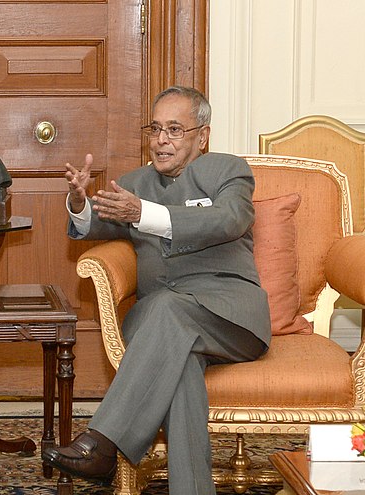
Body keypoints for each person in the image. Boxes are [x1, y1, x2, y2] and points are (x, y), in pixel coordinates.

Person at [41, 86, 271, 494]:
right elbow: (95, 223)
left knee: (169, 311)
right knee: (179, 362)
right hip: (161, 325)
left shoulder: (227, 171)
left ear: (202, 136)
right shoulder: (135, 183)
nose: (162, 139)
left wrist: (144, 214)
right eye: (156, 129)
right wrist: (79, 203)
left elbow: (229, 219)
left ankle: (103, 444)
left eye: (175, 129)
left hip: (229, 316)